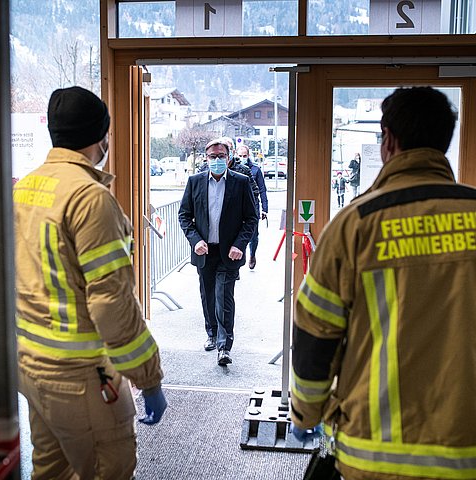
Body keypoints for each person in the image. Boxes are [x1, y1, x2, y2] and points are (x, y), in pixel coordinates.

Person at [290, 86, 476, 480]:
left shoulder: (355, 225)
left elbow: (314, 333)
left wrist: (306, 414)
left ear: (388, 139)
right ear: (444, 140)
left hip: (375, 451)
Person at [13, 86, 166, 480]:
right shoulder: (89, 198)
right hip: (81, 377)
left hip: (31, 368)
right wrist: (148, 379)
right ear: (103, 137)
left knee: (51, 468)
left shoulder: (24, 188)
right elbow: (111, 306)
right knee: (107, 468)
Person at [179, 139, 258, 366]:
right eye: (212, 156)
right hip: (204, 250)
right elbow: (185, 215)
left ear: (229, 157)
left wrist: (239, 245)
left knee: (224, 296)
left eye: (221, 156)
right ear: (206, 158)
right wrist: (195, 240)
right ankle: (212, 334)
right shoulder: (195, 182)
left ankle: (224, 346)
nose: (216, 160)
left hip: (229, 252)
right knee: (208, 294)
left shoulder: (240, 183)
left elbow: (251, 218)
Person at [236, 144, 268, 270]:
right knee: (237, 234)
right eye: (240, 155)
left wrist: (265, 209)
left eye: (244, 155)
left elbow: (262, 190)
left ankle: (252, 255)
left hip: (253, 207)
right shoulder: (234, 169)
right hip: (238, 208)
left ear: (248, 155)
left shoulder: (255, 170)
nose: (242, 158)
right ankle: (237, 262)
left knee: (253, 235)